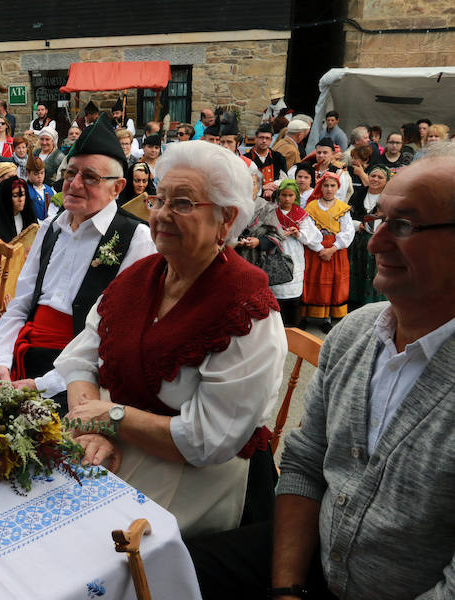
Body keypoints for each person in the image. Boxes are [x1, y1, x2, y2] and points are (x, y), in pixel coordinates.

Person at [187, 145, 455, 600]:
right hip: (309, 555)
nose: (375, 243)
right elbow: (305, 462)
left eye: (405, 226)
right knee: (163, 572)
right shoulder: (355, 333)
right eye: (383, 220)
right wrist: (287, 588)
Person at [55, 140, 286, 537]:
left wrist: (111, 417)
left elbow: (205, 441)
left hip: (197, 482)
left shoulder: (246, 306)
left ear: (226, 220)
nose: (161, 214)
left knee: (97, 549)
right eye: (158, 199)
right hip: (117, 447)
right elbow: (80, 359)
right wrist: (94, 429)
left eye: (181, 203)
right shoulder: (140, 275)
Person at [0, 116, 155, 409]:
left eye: (89, 177)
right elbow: (20, 304)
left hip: (81, 373)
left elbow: (118, 338)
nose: (74, 184)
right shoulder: (51, 228)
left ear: (117, 187)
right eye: (69, 173)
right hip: (24, 354)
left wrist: (45, 384)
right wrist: (0, 364)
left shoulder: (136, 239)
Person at [302, 171, 354, 333]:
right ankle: (306, 315)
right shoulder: (311, 207)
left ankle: (327, 317)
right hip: (315, 250)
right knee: (312, 279)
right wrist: (319, 248)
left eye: (333, 186)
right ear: (320, 187)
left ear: (338, 187)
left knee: (332, 281)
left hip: (335, 250)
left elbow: (348, 231)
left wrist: (333, 248)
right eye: (326, 185)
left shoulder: (342, 208)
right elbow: (308, 230)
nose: (329, 189)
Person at [269, 180, 322, 325]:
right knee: (276, 288)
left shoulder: (300, 213)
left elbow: (312, 235)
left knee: (293, 289)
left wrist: (297, 234)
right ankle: (277, 324)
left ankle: (293, 325)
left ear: (296, 196)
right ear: (278, 195)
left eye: (290, 195)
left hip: (294, 252)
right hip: (276, 250)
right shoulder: (271, 212)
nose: (287, 199)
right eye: (284, 195)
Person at [347, 164, 389, 310]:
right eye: (373, 176)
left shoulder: (387, 199)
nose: (375, 179)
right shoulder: (359, 194)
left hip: (378, 244)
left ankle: (373, 306)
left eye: (380, 177)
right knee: (356, 270)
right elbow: (347, 217)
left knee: (374, 273)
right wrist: (358, 225)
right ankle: (353, 304)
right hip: (357, 242)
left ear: (386, 181)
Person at [0, 175, 38, 252]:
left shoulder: (29, 217)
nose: (20, 199)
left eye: (23, 195)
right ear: (6, 198)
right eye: (15, 195)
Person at [245, 123, 288, 199]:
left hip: (273, 198)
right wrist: (262, 188)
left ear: (271, 140)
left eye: (267, 138)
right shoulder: (246, 159)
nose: (264, 141)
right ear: (255, 139)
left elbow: (283, 179)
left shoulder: (278, 157)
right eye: (261, 137)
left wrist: (272, 189)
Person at [26, 156, 55, 220]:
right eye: (36, 174)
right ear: (28, 173)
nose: (40, 176)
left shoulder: (49, 190)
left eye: (42, 173)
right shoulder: (25, 191)